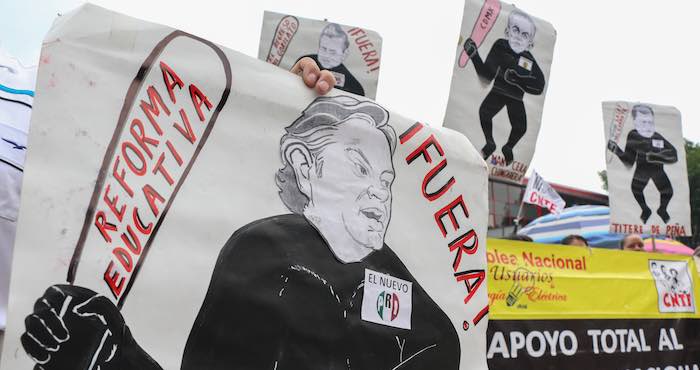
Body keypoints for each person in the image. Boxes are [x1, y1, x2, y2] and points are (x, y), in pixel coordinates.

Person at [21, 93, 460, 369]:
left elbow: (443, 346)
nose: (378, 193)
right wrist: (115, 357)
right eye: (360, 169)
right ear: (306, 168)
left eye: (386, 182)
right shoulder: (265, 255)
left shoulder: (383, 268)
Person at [462, 9, 545, 165]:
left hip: (516, 97)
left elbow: (540, 85)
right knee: (484, 112)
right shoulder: (500, 46)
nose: (519, 37)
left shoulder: (529, 59)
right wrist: (474, 56)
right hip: (498, 92)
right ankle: (490, 143)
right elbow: (486, 76)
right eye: (515, 30)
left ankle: (508, 147)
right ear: (508, 31)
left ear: (530, 43)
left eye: (524, 35)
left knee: (521, 128)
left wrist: (518, 80)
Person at [607, 104, 677, 223]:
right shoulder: (633, 136)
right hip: (641, 171)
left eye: (650, 122)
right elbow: (629, 161)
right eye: (643, 122)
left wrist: (654, 156)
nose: (648, 126)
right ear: (635, 122)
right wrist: (617, 150)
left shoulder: (657, 136)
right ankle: (645, 210)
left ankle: (662, 209)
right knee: (636, 190)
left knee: (668, 192)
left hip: (658, 171)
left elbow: (674, 155)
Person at [298, 23, 365, 96]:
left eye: (332, 52)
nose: (326, 55)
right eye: (323, 49)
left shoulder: (354, 86)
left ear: (344, 54)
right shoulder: (303, 64)